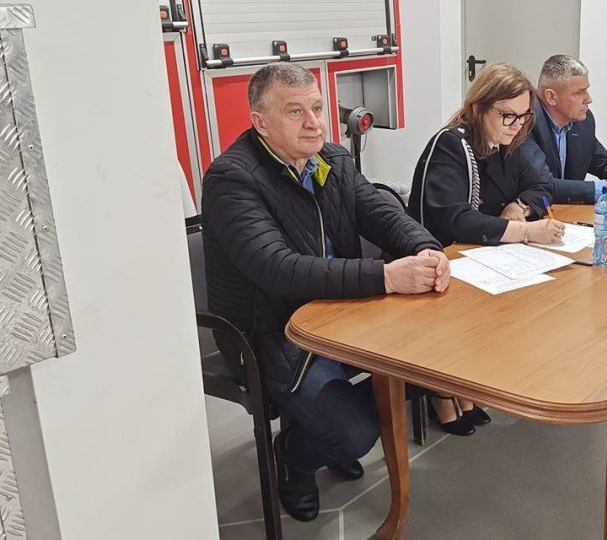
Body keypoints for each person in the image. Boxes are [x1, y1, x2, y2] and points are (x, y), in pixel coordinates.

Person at [201, 63, 450, 522]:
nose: (314, 122)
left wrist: (426, 248)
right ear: (260, 122)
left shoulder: (332, 160)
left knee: (441, 365)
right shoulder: (232, 180)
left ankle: (322, 432)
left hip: (342, 312)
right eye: (295, 111)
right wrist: (387, 277)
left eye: (317, 107)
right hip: (271, 332)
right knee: (354, 435)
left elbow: (381, 214)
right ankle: (294, 458)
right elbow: (278, 270)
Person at [408, 63, 564, 433]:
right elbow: (455, 221)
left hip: (478, 256)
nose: (517, 125)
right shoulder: (451, 144)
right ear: (479, 108)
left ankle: (461, 379)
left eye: (524, 116)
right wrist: (524, 231)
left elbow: (542, 185)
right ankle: (440, 388)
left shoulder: (507, 142)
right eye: (508, 115)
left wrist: (520, 206)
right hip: (436, 259)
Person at [521, 54, 607, 204]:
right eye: (579, 93)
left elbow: (603, 162)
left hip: (565, 212)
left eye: (586, 90)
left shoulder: (583, 121)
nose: (588, 99)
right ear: (551, 97)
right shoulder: (524, 121)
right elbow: (544, 184)